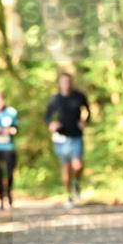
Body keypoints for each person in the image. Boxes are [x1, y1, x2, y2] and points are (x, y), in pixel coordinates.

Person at [44, 72, 90, 209]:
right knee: (66, 168)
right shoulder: (55, 99)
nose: (66, 84)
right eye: (63, 82)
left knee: (77, 165)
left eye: (68, 81)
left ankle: (76, 183)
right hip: (61, 138)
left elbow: (88, 112)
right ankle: (69, 196)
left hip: (76, 136)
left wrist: (84, 121)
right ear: (59, 83)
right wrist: (51, 124)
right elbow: (47, 116)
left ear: (71, 82)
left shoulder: (79, 96)